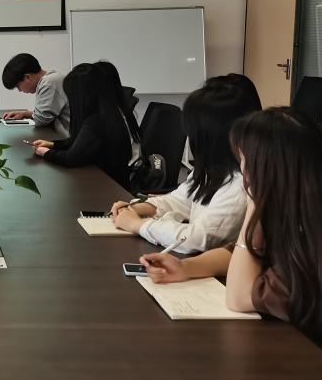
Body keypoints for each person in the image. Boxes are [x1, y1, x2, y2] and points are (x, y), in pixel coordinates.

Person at [142, 108, 322, 380]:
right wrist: (186, 267)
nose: (243, 176)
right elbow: (245, 254)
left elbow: (239, 296)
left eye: (245, 164)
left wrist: (255, 205)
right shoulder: (318, 210)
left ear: (269, 171)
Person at [108, 82, 258, 254]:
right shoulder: (212, 170)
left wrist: (138, 225)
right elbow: (178, 201)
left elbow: (198, 239)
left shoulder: (240, 186)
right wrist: (138, 208)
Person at [30, 63, 133, 188]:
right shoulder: (105, 114)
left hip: (108, 188)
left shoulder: (97, 121)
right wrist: (53, 144)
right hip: (109, 181)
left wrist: (45, 153)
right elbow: (79, 141)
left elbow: (71, 158)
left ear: (82, 95)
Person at [0, 53, 70, 138]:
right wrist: (25, 114)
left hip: (69, 140)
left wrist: (28, 114)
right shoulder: (52, 78)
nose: (19, 90)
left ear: (27, 77)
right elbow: (45, 115)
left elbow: (41, 120)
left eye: (18, 86)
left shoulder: (49, 83)